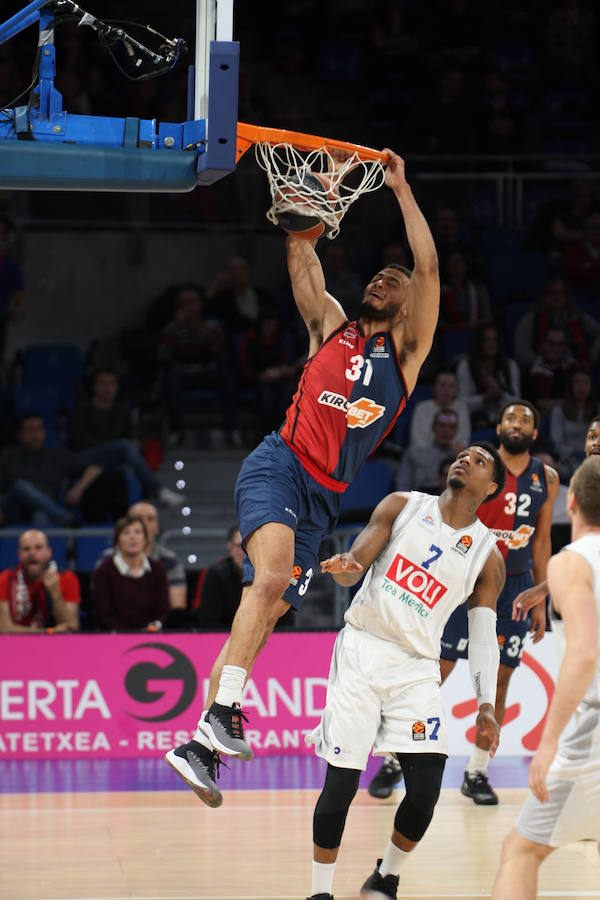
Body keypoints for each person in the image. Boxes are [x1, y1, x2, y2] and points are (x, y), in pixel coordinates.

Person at [164, 149, 440, 806]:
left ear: (407, 307)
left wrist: (399, 189)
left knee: (261, 617)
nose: (381, 280)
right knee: (269, 580)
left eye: (391, 281)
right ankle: (222, 718)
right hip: (280, 466)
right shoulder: (333, 327)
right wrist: (307, 218)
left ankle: (203, 742)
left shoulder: (405, 355)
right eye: (376, 274)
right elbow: (302, 268)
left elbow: (427, 266)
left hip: (325, 503)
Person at [306, 443, 506, 900]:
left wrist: (486, 704)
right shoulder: (403, 505)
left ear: (490, 488)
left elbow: (482, 635)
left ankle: (386, 877)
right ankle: (319, 892)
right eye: (462, 454)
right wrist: (345, 569)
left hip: (416, 667)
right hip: (363, 648)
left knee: (426, 788)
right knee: (342, 781)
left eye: (478, 460)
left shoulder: (486, 556)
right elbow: (355, 563)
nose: (464, 459)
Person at [370, 400, 559, 803]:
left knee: (500, 679)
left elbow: (542, 539)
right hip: (467, 578)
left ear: (535, 433)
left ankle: (477, 770)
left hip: (517, 586)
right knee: (434, 671)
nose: (517, 423)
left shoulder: (548, 477)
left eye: (525, 419)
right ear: (499, 426)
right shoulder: (482, 470)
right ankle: (392, 759)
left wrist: (541, 597)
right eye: (509, 416)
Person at [491, 456, 600, 900]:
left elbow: (584, 652)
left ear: (569, 502)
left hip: (591, 733)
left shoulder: (569, 562)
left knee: (521, 851)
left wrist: (549, 740)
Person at [70, 368, 183, 507]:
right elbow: (78, 441)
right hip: (87, 456)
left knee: (128, 462)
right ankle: (157, 490)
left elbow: (132, 436)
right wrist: (115, 448)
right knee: (124, 447)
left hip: (117, 458)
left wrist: (135, 444)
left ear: (117, 387)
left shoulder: (123, 411)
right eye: (102, 383)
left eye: (111, 384)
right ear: (94, 386)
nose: (107, 388)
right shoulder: (82, 411)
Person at [0, 414, 102, 526]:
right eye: (29, 430)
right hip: (13, 511)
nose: (35, 434)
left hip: (46, 510)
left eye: (39, 428)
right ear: (19, 434)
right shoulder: (8, 455)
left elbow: (94, 468)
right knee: (20, 486)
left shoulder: (57, 455)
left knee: (40, 516)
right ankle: (66, 518)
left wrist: (78, 489)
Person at [96, 501, 187, 611]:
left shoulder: (168, 560)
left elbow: (177, 608)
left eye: (150, 519)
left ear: (157, 527)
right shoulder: (107, 560)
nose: (145, 524)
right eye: (138, 519)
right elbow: (100, 605)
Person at [92, 514, 170, 631]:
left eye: (137, 532)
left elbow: (164, 611)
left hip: (152, 635)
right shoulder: (104, 571)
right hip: (114, 636)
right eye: (126, 533)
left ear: (145, 539)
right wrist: (130, 634)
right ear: (117, 540)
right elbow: (104, 614)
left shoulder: (158, 570)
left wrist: (154, 627)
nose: (132, 537)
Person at [0, 529, 80, 633]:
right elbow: (3, 628)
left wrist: (56, 594)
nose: (32, 553)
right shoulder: (5, 579)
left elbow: (72, 627)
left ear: (48, 552)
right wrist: (48, 632)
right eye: (26, 549)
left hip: (56, 645)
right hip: (15, 645)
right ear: (19, 554)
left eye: (38, 547)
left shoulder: (67, 578)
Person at [456, 324, 521, 429]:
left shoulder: (510, 366)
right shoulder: (466, 366)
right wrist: (485, 398)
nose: (492, 344)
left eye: (495, 340)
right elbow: (461, 405)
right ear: (479, 343)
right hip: (474, 422)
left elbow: (518, 406)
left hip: (505, 422)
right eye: (487, 340)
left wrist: (500, 394)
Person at [550, 367, 599, 479]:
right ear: (571, 386)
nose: (581, 386)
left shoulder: (598, 411)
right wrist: (575, 452)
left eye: (585, 382)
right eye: (577, 382)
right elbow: (557, 445)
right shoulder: (559, 411)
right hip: (567, 462)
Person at [397, 408, 461, 492]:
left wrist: (459, 456)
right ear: (433, 428)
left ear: (456, 431)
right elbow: (402, 486)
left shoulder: (461, 457)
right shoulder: (414, 453)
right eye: (442, 426)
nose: (446, 431)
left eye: (451, 427)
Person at [409, 369, 470, 449]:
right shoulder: (421, 408)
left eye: (451, 386)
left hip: (452, 455)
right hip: (425, 454)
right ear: (434, 388)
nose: (446, 390)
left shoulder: (462, 407)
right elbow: (417, 440)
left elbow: (463, 440)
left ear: (456, 389)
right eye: (442, 385)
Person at [524, 326, 576, 415]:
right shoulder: (531, 372)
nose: (556, 348)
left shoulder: (574, 369)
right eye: (551, 343)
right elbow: (536, 404)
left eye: (560, 344)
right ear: (543, 345)